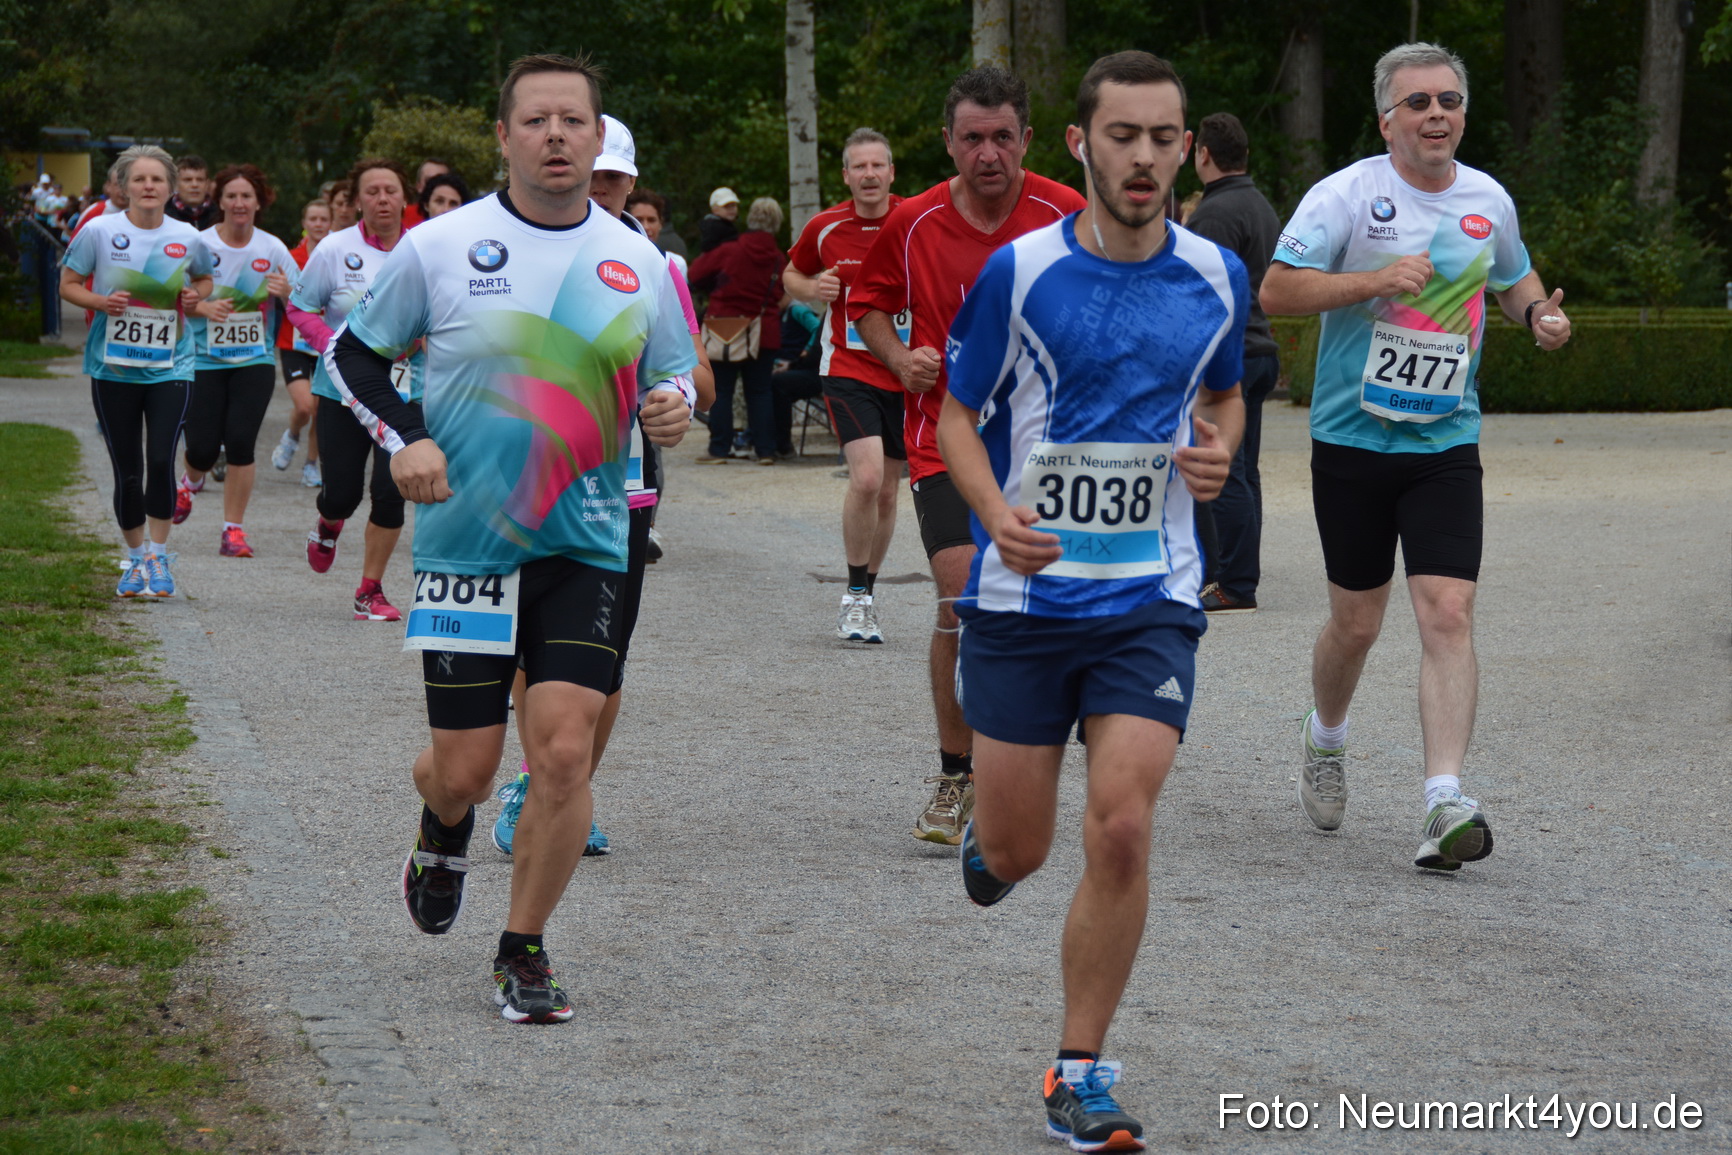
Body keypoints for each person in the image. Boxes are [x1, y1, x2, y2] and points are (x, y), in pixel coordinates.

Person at [325, 53, 697, 1024]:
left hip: (588, 538)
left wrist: (673, 404)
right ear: (504, 137)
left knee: (564, 753)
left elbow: (674, 371)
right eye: (536, 120)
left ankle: (523, 946)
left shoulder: (636, 259)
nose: (556, 136)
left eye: (573, 120)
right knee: (467, 769)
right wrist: (406, 438)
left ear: (597, 135)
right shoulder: (441, 246)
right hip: (468, 542)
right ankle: (442, 826)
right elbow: (351, 355)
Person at [938, 51, 1244, 1150]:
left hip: (1148, 598)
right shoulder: (1019, 273)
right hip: (1023, 602)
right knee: (1019, 850)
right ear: (1080, 144)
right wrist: (993, 513)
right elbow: (957, 416)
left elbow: (1224, 396)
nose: (1145, 158)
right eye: (1124, 136)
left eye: (1163, 138)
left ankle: (1080, 1072)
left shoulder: (1215, 273)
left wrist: (1217, 452)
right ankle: (991, 848)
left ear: (1185, 150)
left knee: (1120, 824)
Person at [1261, 41, 1572, 871]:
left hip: (1445, 441)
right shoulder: (1345, 195)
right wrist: (1372, 280)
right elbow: (1277, 289)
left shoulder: (1487, 200)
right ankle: (1326, 737)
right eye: (1419, 102)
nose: (1437, 114)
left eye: (1450, 100)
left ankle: (1444, 800)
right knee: (1356, 623)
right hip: (1351, 439)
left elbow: (1515, 278)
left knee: (1447, 611)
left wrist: (1537, 315)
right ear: (1386, 120)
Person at [849, 66, 1086, 845]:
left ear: (1028, 140)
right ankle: (957, 775)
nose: (989, 154)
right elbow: (869, 304)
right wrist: (898, 357)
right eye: (974, 138)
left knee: (1049, 602)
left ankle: (1021, 756)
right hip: (944, 440)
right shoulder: (912, 220)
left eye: (1003, 137)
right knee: (961, 599)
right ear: (949, 142)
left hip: (1051, 451)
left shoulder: (1067, 211)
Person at [491, 112, 715, 862]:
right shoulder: (515, 252)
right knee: (531, 648)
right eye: (598, 177)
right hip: (525, 482)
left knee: (605, 658)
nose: (606, 191)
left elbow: (695, 375)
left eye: (618, 180)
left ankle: (561, 785)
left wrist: (674, 397)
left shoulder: (655, 264)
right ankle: (539, 780)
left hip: (620, 491)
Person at [59, 145, 215, 598]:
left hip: (172, 365)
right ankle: (133, 558)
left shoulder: (187, 236)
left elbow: (204, 280)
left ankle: (158, 557)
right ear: (123, 186)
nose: (149, 186)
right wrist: (101, 302)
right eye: (140, 179)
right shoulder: (99, 231)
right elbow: (68, 284)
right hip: (114, 369)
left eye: (157, 179)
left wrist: (196, 296)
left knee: (161, 459)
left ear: (170, 188)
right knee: (127, 469)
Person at [784, 127, 906, 644]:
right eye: (860, 166)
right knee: (868, 478)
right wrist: (814, 287)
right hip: (848, 369)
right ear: (846, 176)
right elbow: (791, 275)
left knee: (888, 491)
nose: (869, 174)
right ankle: (853, 595)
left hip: (904, 371)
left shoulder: (916, 220)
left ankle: (868, 597)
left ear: (891, 173)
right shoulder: (826, 226)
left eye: (878, 165)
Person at [287, 159, 419, 621]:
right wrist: (336, 347)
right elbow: (299, 309)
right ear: (358, 201)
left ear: (405, 198)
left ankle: (370, 590)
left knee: (391, 489)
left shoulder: (424, 250)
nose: (382, 199)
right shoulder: (335, 249)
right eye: (372, 191)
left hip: (403, 391)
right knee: (342, 494)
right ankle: (328, 522)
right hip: (341, 390)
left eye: (391, 190)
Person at [1184, 112, 1283, 614]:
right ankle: (1239, 571)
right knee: (1245, 472)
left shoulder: (1214, 213)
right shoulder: (1258, 204)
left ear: (1203, 153)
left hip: (1232, 356)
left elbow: (1204, 297)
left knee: (1222, 470)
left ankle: (1234, 581)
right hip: (1261, 349)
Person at [174, 164, 297, 557]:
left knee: (241, 443)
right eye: (232, 196)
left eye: (247, 196)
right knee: (203, 450)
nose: (239, 203)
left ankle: (233, 531)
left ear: (258, 202)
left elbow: (305, 301)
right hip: (203, 360)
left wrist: (286, 291)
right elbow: (173, 299)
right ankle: (189, 483)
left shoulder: (272, 248)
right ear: (220, 201)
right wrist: (203, 309)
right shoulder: (199, 244)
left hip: (253, 360)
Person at [690, 196, 786, 465]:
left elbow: (695, 274)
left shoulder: (730, 250)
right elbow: (781, 292)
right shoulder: (779, 258)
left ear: (750, 219)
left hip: (724, 330)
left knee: (721, 390)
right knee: (761, 392)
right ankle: (765, 451)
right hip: (763, 331)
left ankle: (719, 449)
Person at [270, 198, 332, 487]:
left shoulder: (337, 255)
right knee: (305, 407)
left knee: (320, 410)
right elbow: (281, 302)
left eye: (323, 219)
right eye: (313, 219)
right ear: (304, 223)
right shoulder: (291, 258)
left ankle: (311, 464)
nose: (318, 224)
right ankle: (292, 435)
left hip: (324, 343)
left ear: (330, 223)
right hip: (293, 342)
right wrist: (285, 292)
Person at [164, 155, 217, 230]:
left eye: (200, 180)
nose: (194, 185)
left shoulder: (220, 216)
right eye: (187, 180)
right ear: (175, 184)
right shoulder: (163, 217)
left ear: (207, 184)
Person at [402, 158, 453, 229]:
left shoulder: (457, 215)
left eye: (441, 181)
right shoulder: (401, 216)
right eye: (429, 181)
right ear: (418, 186)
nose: (434, 186)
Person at [698, 187, 739, 253]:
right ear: (714, 209)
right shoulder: (716, 229)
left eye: (733, 205)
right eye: (726, 206)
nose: (731, 209)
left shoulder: (726, 225)